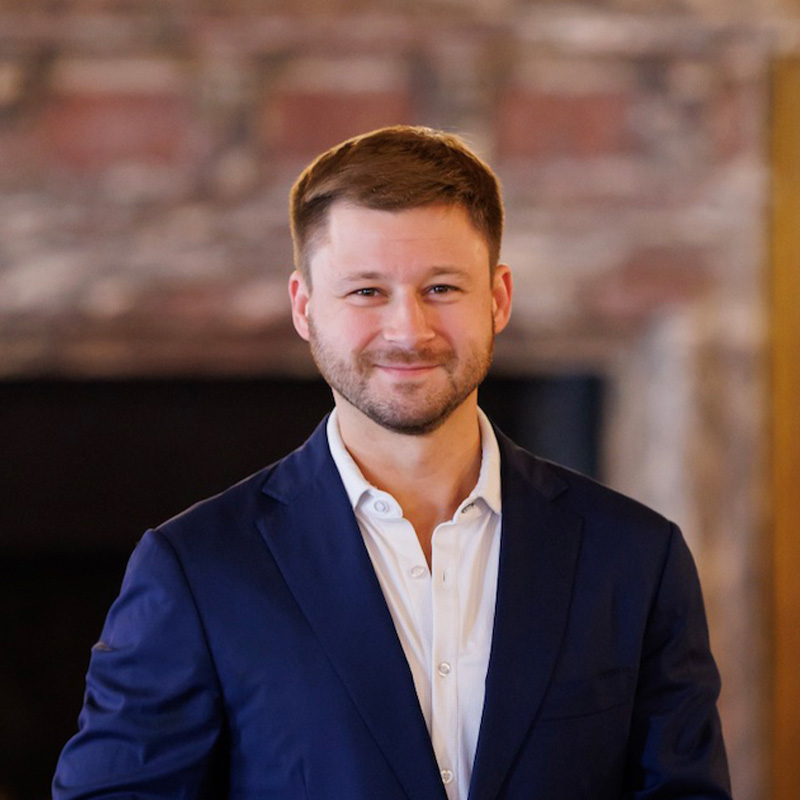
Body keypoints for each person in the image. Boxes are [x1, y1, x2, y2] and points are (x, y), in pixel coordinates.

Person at [53, 125, 731, 799]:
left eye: (440, 288)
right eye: (366, 292)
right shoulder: (195, 570)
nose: (408, 331)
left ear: (497, 298)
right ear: (304, 306)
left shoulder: (636, 558)